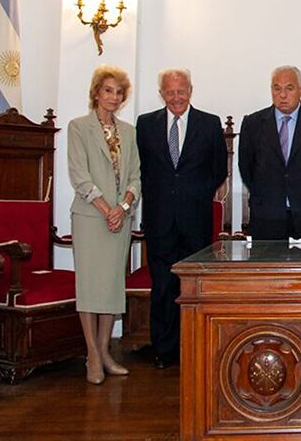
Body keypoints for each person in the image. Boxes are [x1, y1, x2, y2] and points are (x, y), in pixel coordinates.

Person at [136, 68, 227, 369]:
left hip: (195, 219)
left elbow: (218, 169)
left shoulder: (209, 123)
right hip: (159, 218)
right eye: (170, 92)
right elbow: (142, 170)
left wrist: (198, 194)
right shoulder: (145, 125)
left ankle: (192, 346)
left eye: (181, 90)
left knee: (192, 287)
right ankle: (164, 348)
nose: (176, 97)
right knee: (162, 286)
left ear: (191, 89)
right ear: (161, 93)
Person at [67, 65, 141, 385]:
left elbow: (136, 177)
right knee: (89, 287)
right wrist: (106, 208)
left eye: (119, 92)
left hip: (119, 220)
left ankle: (106, 350)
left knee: (111, 287)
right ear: (96, 92)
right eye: (108, 90)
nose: (113, 97)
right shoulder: (78, 127)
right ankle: (93, 355)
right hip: (90, 218)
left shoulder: (129, 132)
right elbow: (79, 176)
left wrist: (123, 207)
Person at [238, 66, 301, 239]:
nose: (283, 95)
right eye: (277, 88)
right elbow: (246, 167)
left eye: (289, 88)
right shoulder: (252, 123)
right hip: (266, 217)